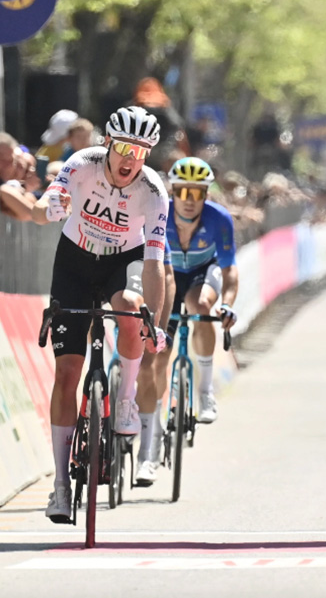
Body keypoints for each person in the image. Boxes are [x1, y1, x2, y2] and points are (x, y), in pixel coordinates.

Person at [31, 106, 170, 522]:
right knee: (68, 374)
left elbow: (154, 264)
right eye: (124, 147)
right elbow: (45, 205)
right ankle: (59, 485)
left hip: (120, 264)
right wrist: (50, 206)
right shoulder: (81, 164)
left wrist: (155, 326)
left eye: (141, 151)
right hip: (73, 262)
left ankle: (125, 399)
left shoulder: (153, 191)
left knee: (130, 308)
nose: (131, 158)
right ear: (107, 144)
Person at [134, 157, 239, 486]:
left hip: (198, 276)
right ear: (174, 193)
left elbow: (229, 270)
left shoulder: (219, 220)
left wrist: (227, 304)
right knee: (155, 359)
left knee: (201, 303)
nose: (191, 200)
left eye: (198, 193)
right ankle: (148, 449)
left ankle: (205, 392)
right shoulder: (159, 214)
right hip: (165, 277)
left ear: (206, 194)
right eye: (184, 193)